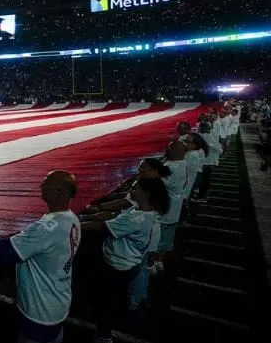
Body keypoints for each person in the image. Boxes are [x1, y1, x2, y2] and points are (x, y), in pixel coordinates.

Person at [0, 171, 80, 343]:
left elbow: (8, 251)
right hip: (59, 301)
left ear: (60, 192)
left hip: (39, 311)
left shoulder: (46, 227)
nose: (42, 187)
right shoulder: (72, 219)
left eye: (46, 184)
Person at [84, 178, 170, 343]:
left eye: (136, 187)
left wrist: (77, 223)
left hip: (117, 266)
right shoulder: (147, 215)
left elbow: (102, 227)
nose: (132, 189)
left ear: (146, 193)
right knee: (114, 297)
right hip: (130, 264)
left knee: (106, 302)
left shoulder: (137, 220)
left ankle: (104, 335)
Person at [149, 141, 188, 273]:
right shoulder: (182, 164)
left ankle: (151, 265)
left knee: (156, 240)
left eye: (171, 147)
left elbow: (156, 184)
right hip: (173, 210)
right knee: (167, 239)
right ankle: (159, 261)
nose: (167, 148)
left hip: (165, 210)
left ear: (179, 151)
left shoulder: (173, 167)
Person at [195, 121, 221, 202]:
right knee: (206, 180)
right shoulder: (211, 135)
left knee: (204, 180)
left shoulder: (202, 136)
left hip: (205, 162)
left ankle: (202, 197)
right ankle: (202, 195)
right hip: (209, 162)